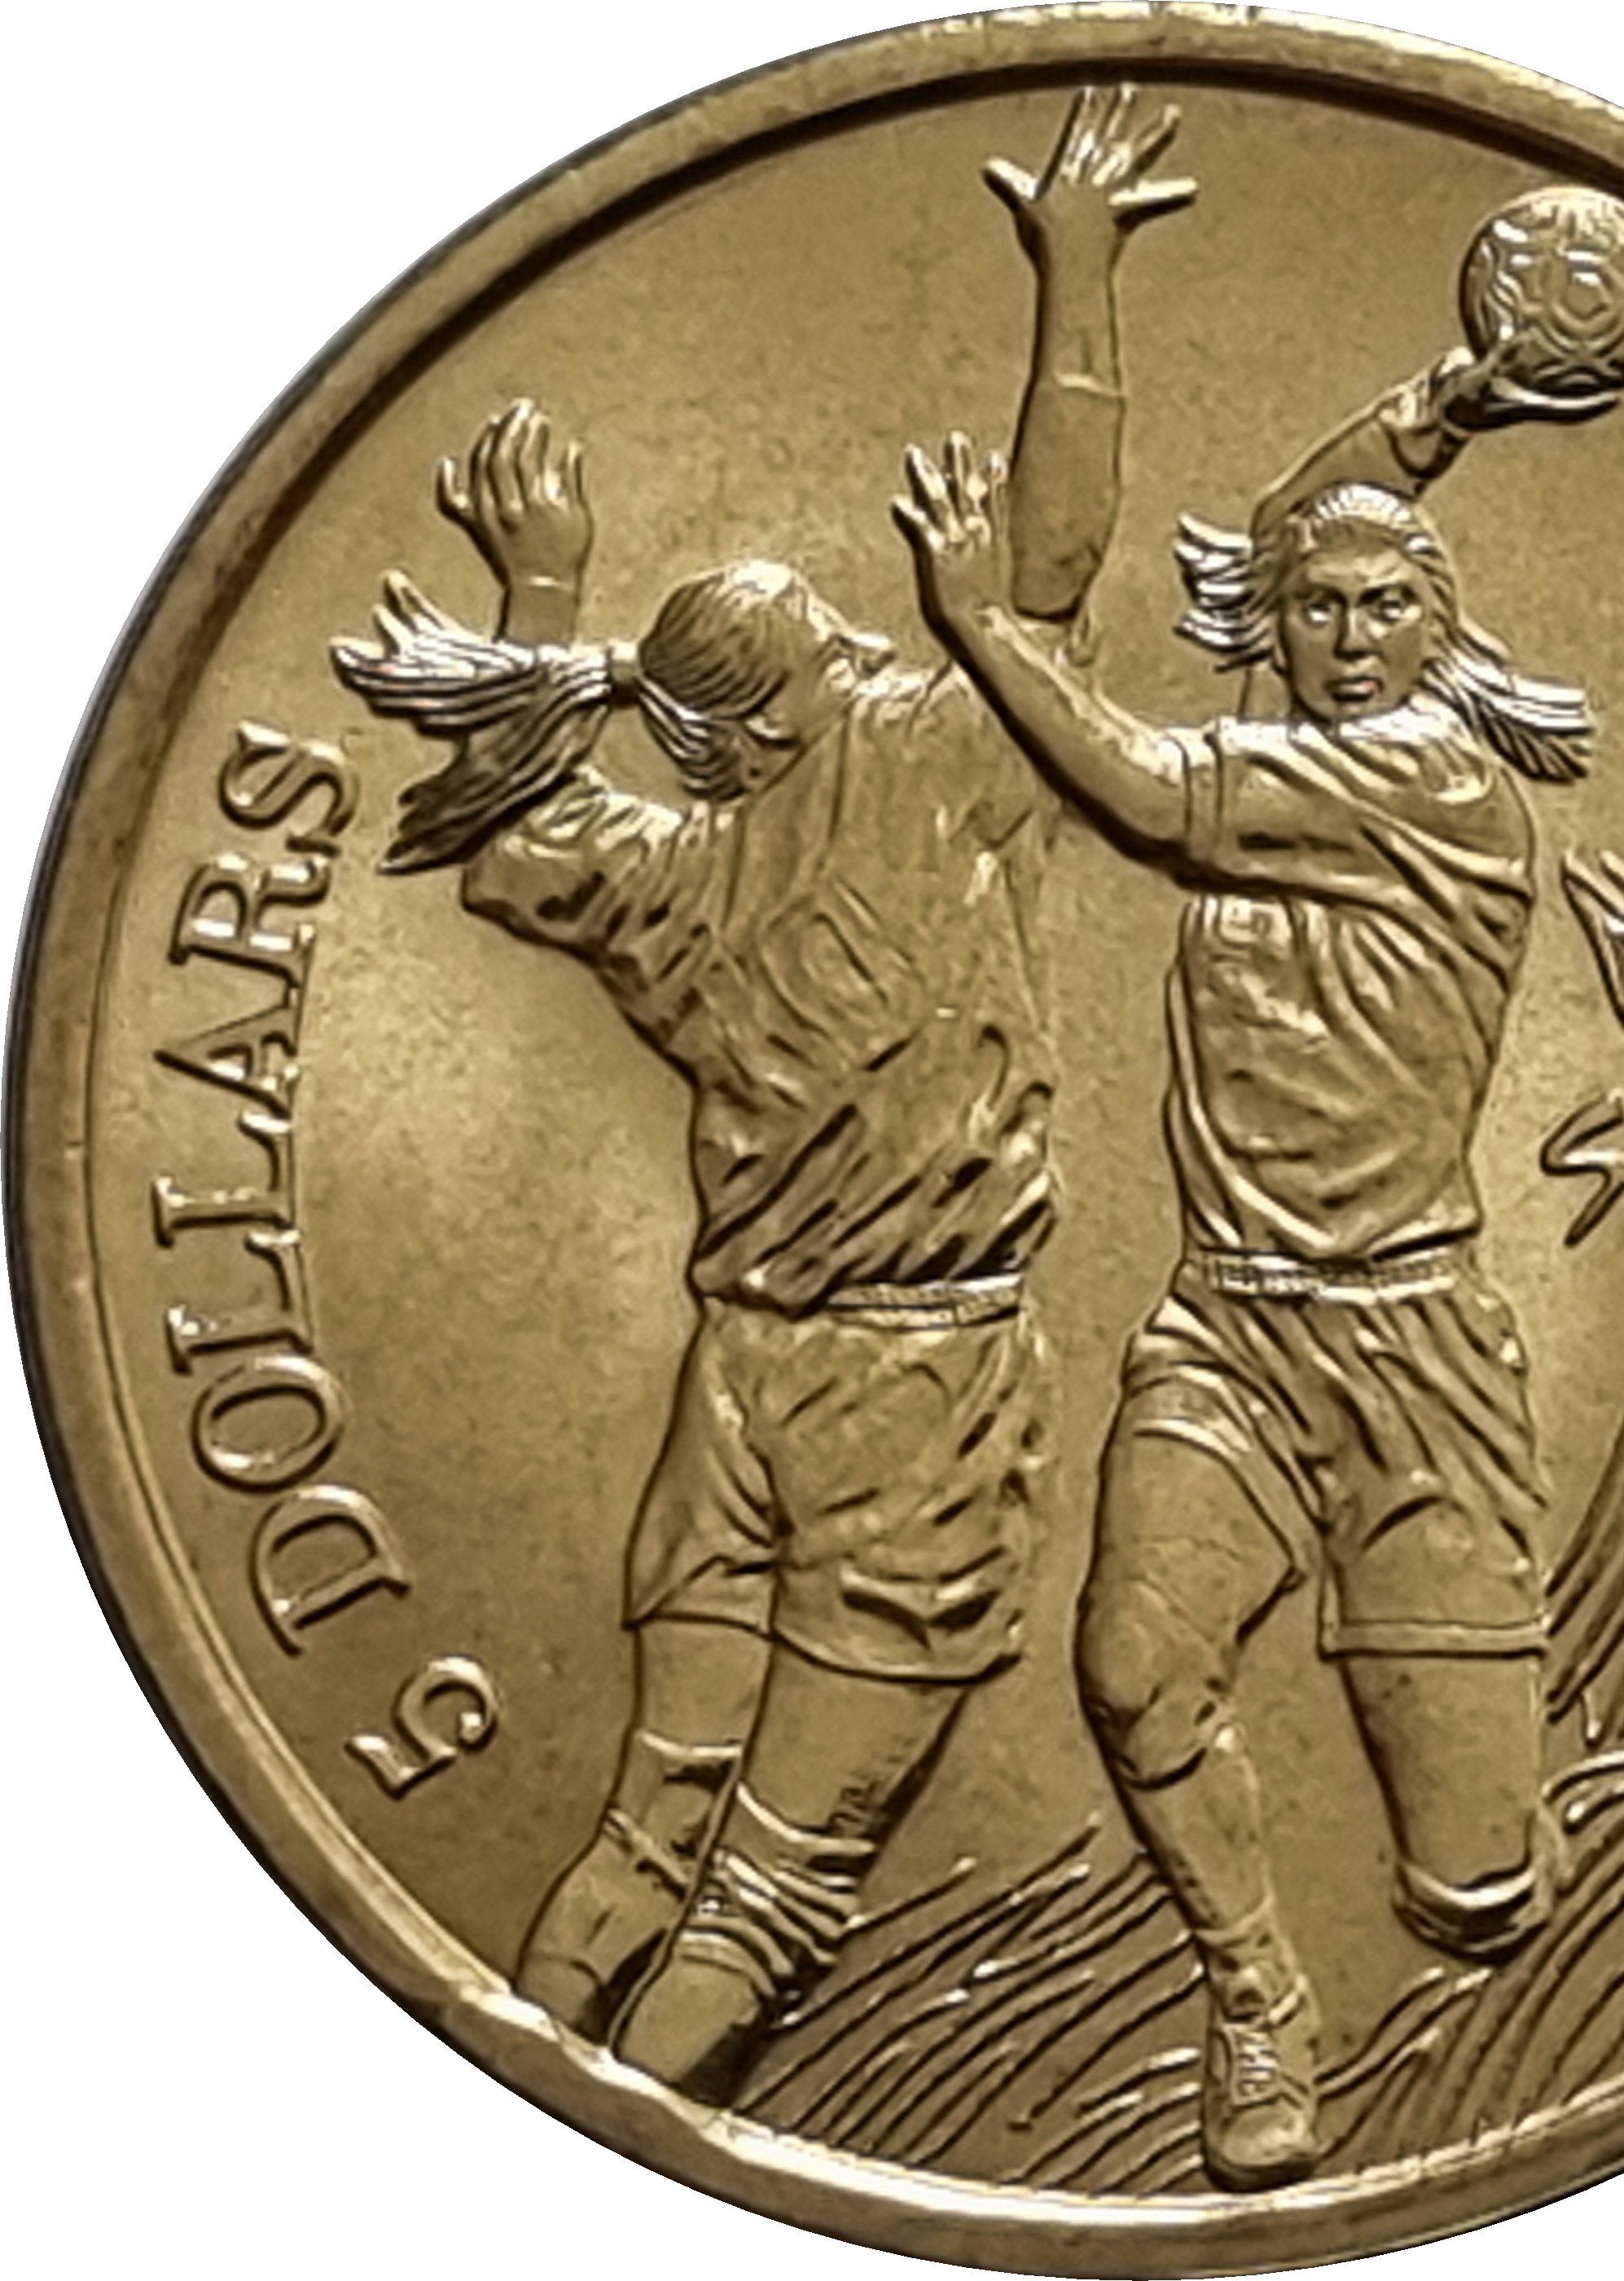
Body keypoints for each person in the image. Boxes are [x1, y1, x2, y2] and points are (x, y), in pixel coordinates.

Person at [332, 86, 1194, 2107]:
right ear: (791, 715)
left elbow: (510, 825)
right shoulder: (920, 771)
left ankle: (519, 2109)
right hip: (917, 1393)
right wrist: (1076, 274)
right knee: (775, 1890)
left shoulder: (654, 879)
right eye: (838, 652)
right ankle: (606, 2174)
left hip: (738, 1384)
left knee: (648, 1826)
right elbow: (1056, 561)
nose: (872, 657)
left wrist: (545, 597)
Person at [892, 347, 1591, 2187]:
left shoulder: (1426, 783)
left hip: (1414, 1352)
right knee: (1133, 1670)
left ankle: (1496, 1824)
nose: (1347, 637)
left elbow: (1133, 782)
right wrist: (1447, 400)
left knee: (1477, 1895)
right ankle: (1257, 1991)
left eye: (1385, 608)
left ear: (1439, 630)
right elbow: (1295, 527)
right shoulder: (1298, 722)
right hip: (1228, 1331)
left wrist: (980, 619)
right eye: (1316, 609)